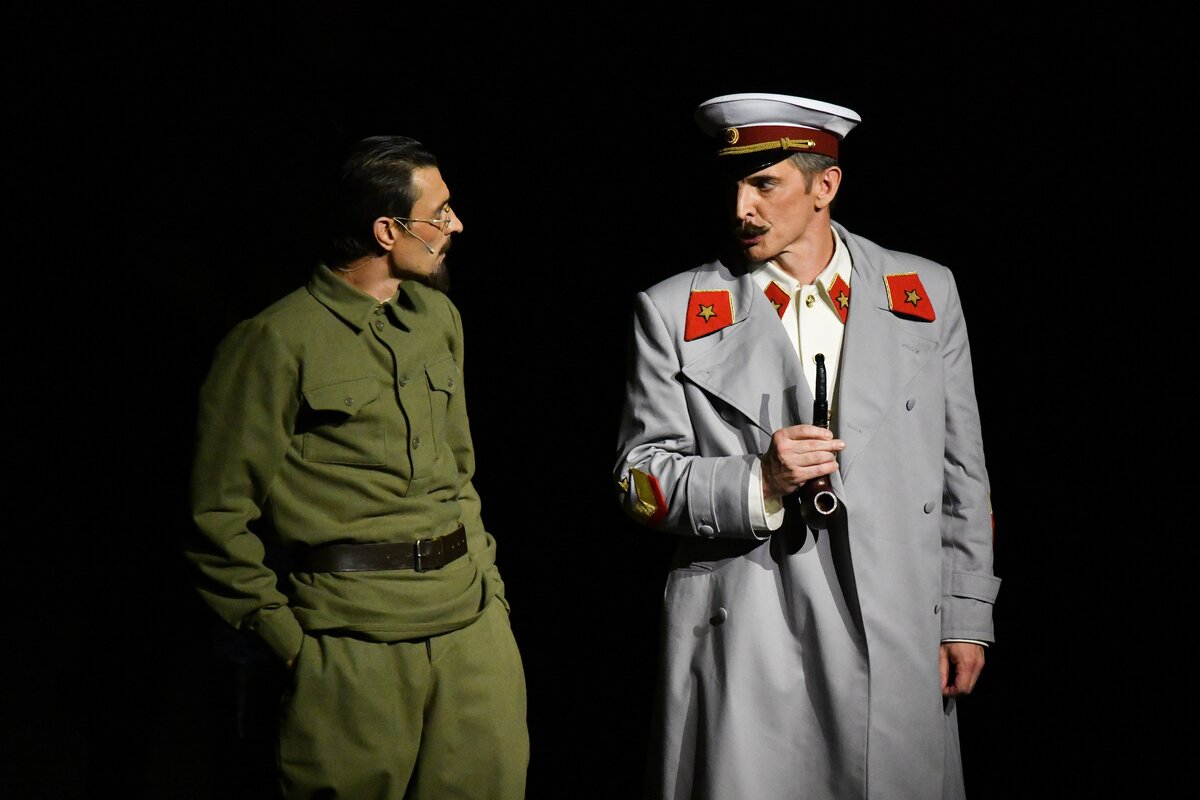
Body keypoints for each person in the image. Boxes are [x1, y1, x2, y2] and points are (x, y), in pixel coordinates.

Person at [613, 93, 1001, 799]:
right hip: (752, 624)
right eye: (733, 184)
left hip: (896, 620)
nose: (741, 208)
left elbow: (961, 473)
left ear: (826, 186)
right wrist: (757, 480)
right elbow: (639, 481)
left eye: (765, 184)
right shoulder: (673, 310)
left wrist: (967, 613)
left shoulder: (924, 292)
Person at [186, 135, 528, 799]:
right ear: (386, 230)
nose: (456, 225)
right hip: (352, 642)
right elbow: (216, 519)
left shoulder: (437, 318)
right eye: (440, 212)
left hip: (470, 632)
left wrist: (492, 593)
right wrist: (291, 644)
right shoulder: (275, 342)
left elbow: (460, 474)